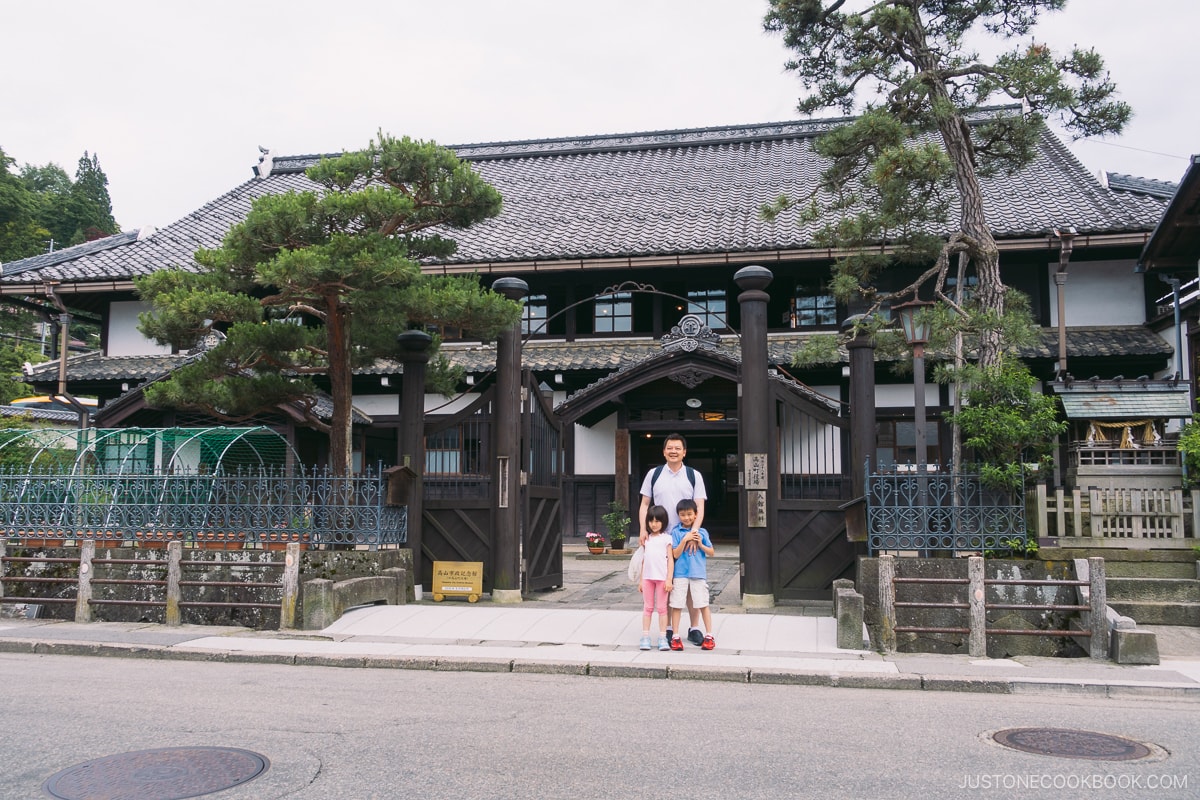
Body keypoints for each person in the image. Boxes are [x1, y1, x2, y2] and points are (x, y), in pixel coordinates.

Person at [638, 432, 707, 645]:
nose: (673, 451)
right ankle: (667, 628)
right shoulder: (654, 474)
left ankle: (694, 628)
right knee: (664, 583)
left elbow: (700, 506)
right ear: (664, 451)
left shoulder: (694, 475)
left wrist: (693, 534)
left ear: (684, 452)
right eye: (670, 448)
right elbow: (644, 504)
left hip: (686, 539)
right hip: (660, 538)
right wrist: (643, 529)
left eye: (678, 448)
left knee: (690, 583)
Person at [667, 498, 716, 650]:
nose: (686, 517)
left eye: (689, 514)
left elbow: (712, 552)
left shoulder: (702, 532)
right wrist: (685, 540)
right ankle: (675, 635)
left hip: (698, 573)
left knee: (702, 603)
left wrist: (700, 544)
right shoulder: (675, 532)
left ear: (696, 515)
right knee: (676, 604)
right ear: (678, 516)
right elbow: (674, 554)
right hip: (680, 573)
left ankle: (709, 635)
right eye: (682, 514)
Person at [638, 504, 675, 651]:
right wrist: (641, 580)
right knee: (647, 607)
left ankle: (662, 636)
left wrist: (669, 579)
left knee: (662, 608)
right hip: (647, 578)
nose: (654, 524)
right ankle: (645, 636)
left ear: (663, 522)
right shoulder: (646, 539)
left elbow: (670, 560)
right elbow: (644, 560)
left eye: (657, 521)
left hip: (662, 578)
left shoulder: (667, 538)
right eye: (651, 521)